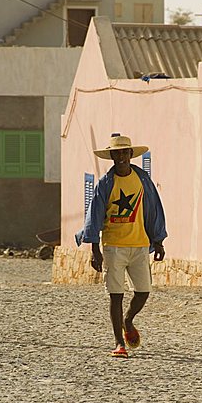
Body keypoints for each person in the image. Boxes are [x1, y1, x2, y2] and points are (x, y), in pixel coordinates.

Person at [76, 134, 167, 358]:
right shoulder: (105, 184)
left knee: (143, 291)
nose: (122, 157)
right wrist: (95, 250)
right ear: (112, 156)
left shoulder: (142, 179)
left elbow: (154, 209)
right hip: (114, 247)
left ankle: (128, 320)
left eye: (125, 152)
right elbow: (94, 216)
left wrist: (159, 241)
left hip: (139, 245)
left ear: (130, 154)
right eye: (117, 153)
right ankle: (119, 343)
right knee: (115, 295)